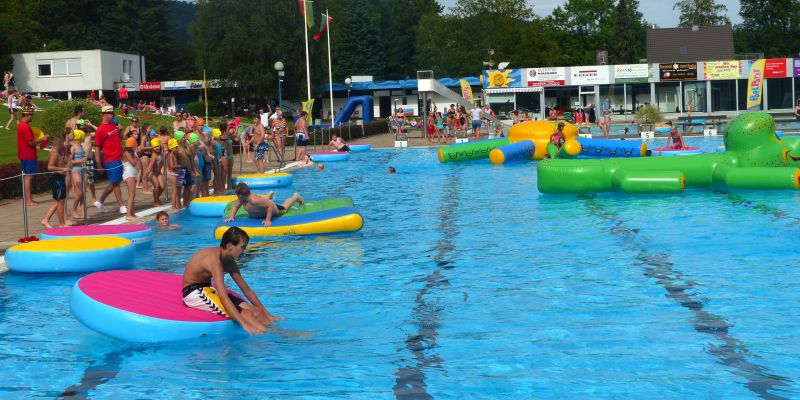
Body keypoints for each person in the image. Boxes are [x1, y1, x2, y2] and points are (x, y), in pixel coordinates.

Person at [182, 226, 278, 335]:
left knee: (255, 311)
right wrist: (243, 323)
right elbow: (223, 297)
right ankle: (271, 338)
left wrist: (267, 314)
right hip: (193, 293)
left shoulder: (229, 261)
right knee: (246, 313)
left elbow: (247, 290)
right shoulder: (215, 261)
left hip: (208, 289)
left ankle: (277, 331)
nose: (244, 251)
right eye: (242, 247)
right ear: (230, 246)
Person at [225, 183, 304, 228]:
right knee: (263, 201)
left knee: (284, 208)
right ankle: (269, 194)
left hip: (273, 209)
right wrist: (231, 217)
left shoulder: (255, 200)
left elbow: (270, 205)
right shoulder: (241, 199)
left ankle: (295, 197)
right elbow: (235, 206)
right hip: (261, 206)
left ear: (240, 195)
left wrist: (268, 220)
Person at [94, 105, 126, 214]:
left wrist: (120, 130)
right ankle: (121, 206)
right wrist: (98, 164)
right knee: (116, 183)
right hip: (110, 159)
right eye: (111, 113)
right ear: (105, 114)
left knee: (115, 182)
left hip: (119, 157)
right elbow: (97, 148)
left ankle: (101, 201)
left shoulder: (113, 124)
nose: (113, 115)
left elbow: (121, 138)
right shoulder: (100, 130)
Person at [41, 136, 73, 228]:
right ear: (59, 144)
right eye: (63, 143)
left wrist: (67, 153)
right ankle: (61, 223)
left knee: (60, 202)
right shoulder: (54, 153)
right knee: (60, 201)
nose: (65, 144)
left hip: (61, 177)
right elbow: (50, 167)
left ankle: (45, 219)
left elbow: (67, 162)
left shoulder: (61, 151)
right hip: (56, 178)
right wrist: (62, 168)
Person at [17, 105, 44, 206]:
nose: (32, 117)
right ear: (27, 115)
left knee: (26, 177)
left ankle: (28, 199)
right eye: (31, 115)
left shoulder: (21, 125)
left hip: (24, 154)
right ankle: (29, 200)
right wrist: (42, 139)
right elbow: (31, 143)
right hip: (29, 155)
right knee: (29, 177)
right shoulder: (25, 126)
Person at [69, 129, 89, 220]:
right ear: (80, 137)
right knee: (79, 192)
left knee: (83, 193)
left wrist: (85, 158)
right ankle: (73, 209)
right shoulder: (73, 148)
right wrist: (80, 161)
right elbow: (69, 161)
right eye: (83, 136)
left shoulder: (81, 146)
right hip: (75, 170)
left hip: (82, 169)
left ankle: (83, 213)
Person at [145, 137, 164, 206]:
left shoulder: (162, 154)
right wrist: (146, 175)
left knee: (162, 187)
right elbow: (150, 165)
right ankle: (156, 201)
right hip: (151, 173)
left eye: (157, 146)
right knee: (156, 186)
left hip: (158, 173)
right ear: (152, 148)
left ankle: (156, 198)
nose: (157, 148)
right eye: (155, 147)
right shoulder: (154, 155)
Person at [166, 138, 181, 210]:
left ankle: (176, 205)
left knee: (176, 191)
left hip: (173, 174)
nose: (177, 148)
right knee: (174, 191)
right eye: (176, 147)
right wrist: (179, 166)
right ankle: (173, 206)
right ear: (171, 148)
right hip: (172, 174)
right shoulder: (171, 155)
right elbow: (172, 166)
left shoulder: (173, 154)